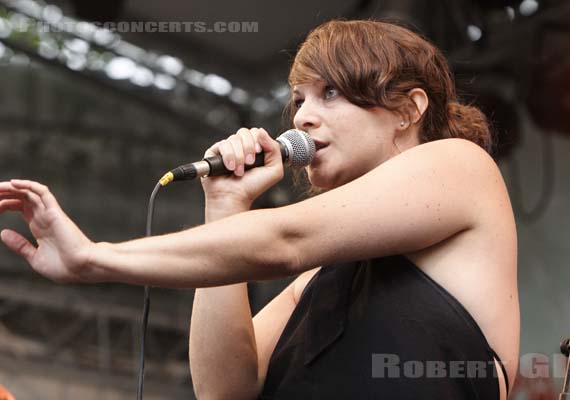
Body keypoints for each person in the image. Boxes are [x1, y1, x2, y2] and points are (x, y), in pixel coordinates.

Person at [0, 19, 519, 400]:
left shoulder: (461, 167)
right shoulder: (321, 275)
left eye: (330, 93)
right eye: (298, 100)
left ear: (409, 109)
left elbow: (283, 241)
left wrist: (96, 258)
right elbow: (225, 389)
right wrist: (226, 207)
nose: (303, 117)